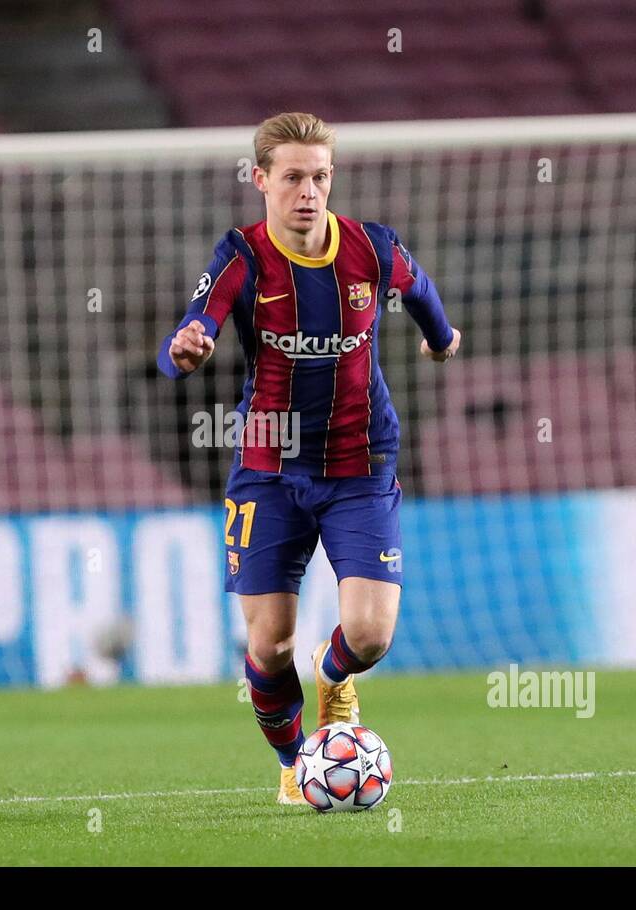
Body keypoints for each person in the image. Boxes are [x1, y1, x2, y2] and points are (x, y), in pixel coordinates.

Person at [157, 111, 460, 804]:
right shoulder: (242, 255)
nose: (308, 191)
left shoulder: (370, 248)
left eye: (319, 176)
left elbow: (417, 289)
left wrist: (441, 339)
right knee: (268, 647)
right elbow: (193, 327)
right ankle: (299, 761)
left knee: (371, 634)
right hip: (269, 467)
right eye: (292, 177)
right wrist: (185, 349)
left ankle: (335, 675)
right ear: (260, 180)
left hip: (361, 462)